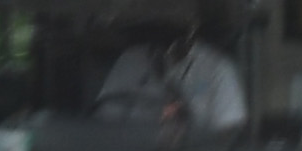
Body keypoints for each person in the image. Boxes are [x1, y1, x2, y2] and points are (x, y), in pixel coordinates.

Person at [93, 24, 245, 135]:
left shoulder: (218, 70)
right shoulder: (131, 59)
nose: (168, 46)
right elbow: (105, 121)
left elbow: (227, 137)